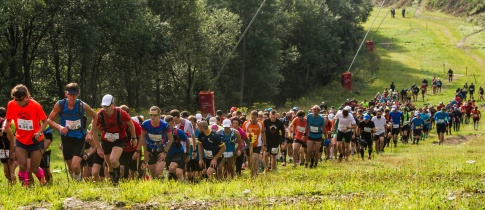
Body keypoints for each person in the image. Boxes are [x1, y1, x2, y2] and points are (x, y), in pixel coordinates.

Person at [46, 83, 100, 182]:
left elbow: (95, 116)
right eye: (70, 94)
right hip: (66, 137)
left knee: (75, 165)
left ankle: (78, 184)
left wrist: (90, 133)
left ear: (78, 94)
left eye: (74, 94)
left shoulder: (82, 105)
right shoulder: (60, 104)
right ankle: (77, 182)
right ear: (66, 94)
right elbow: (49, 119)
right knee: (71, 167)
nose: (72, 97)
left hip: (80, 138)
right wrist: (60, 127)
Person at [3, 84, 49, 186]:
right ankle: (25, 187)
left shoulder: (35, 105)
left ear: (27, 96)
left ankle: (43, 182)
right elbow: (9, 119)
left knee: (34, 168)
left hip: (35, 140)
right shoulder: (11, 104)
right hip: (21, 140)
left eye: (21, 99)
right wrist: (4, 127)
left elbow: (45, 121)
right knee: (22, 166)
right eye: (16, 99)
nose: (18, 102)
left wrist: (39, 132)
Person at [95, 94, 137, 185]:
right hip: (106, 140)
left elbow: (131, 124)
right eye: (104, 106)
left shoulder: (121, 113)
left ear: (113, 104)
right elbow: (93, 131)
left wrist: (134, 138)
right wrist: (98, 147)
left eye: (108, 106)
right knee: (109, 163)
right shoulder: (99, 114)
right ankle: (113, 181)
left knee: (113, 160)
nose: (106, 108)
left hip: (120, 138)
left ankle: (116, 181)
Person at [139, 106, 173, 179]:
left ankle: (162, 184)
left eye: (155, 115)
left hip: (161, 149)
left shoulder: (165, 125)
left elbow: (170, 139)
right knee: (153, 174)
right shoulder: (145, 124)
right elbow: (143, 137)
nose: (153, 117)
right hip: (150, 149)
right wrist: (145, 151)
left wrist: (165, 152)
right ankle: (156, 186)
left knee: (158, 172)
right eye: (151, 115)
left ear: (159, 116)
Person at [118, 105, 142, 179]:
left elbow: (141, 137)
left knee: (133, 171)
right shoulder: (117, 124)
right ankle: (120, 183)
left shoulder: (135, 124)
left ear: (127, 114)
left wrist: (137, 151)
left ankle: (134, 185)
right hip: (121, 150)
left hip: (132, 150)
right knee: (122, 168)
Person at [164, 116, 189, 181]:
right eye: (166, 125)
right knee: (174, 171)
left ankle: (181, 185)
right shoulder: (162, 132)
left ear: (173, 123)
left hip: (178, 153)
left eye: (169, 125)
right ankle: (172, 183)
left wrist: (188, 153)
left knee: (173, 168)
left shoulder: (179, 132)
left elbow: (187, 140)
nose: (168, 127)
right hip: (168, 154)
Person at [242, 110, 264, 178]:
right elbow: (243, 133)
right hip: (248, 144)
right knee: (249, 161)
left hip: (257, 144)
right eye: (252, 117)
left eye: (254, 118)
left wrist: (264, 143)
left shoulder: (260, 124)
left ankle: (255, 173)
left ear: (257, 117)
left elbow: (263, 133)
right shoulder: (246, 123)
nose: (253, 119)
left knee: (254, 159)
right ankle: (252, 173)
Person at [0, 107, 16, 183]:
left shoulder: (3, 123)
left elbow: (12, 139)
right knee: (7, 173)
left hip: (8, 147)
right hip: (2, 148)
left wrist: (11, 154)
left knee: (8, 172)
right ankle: (11, 185)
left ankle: (14, 186)